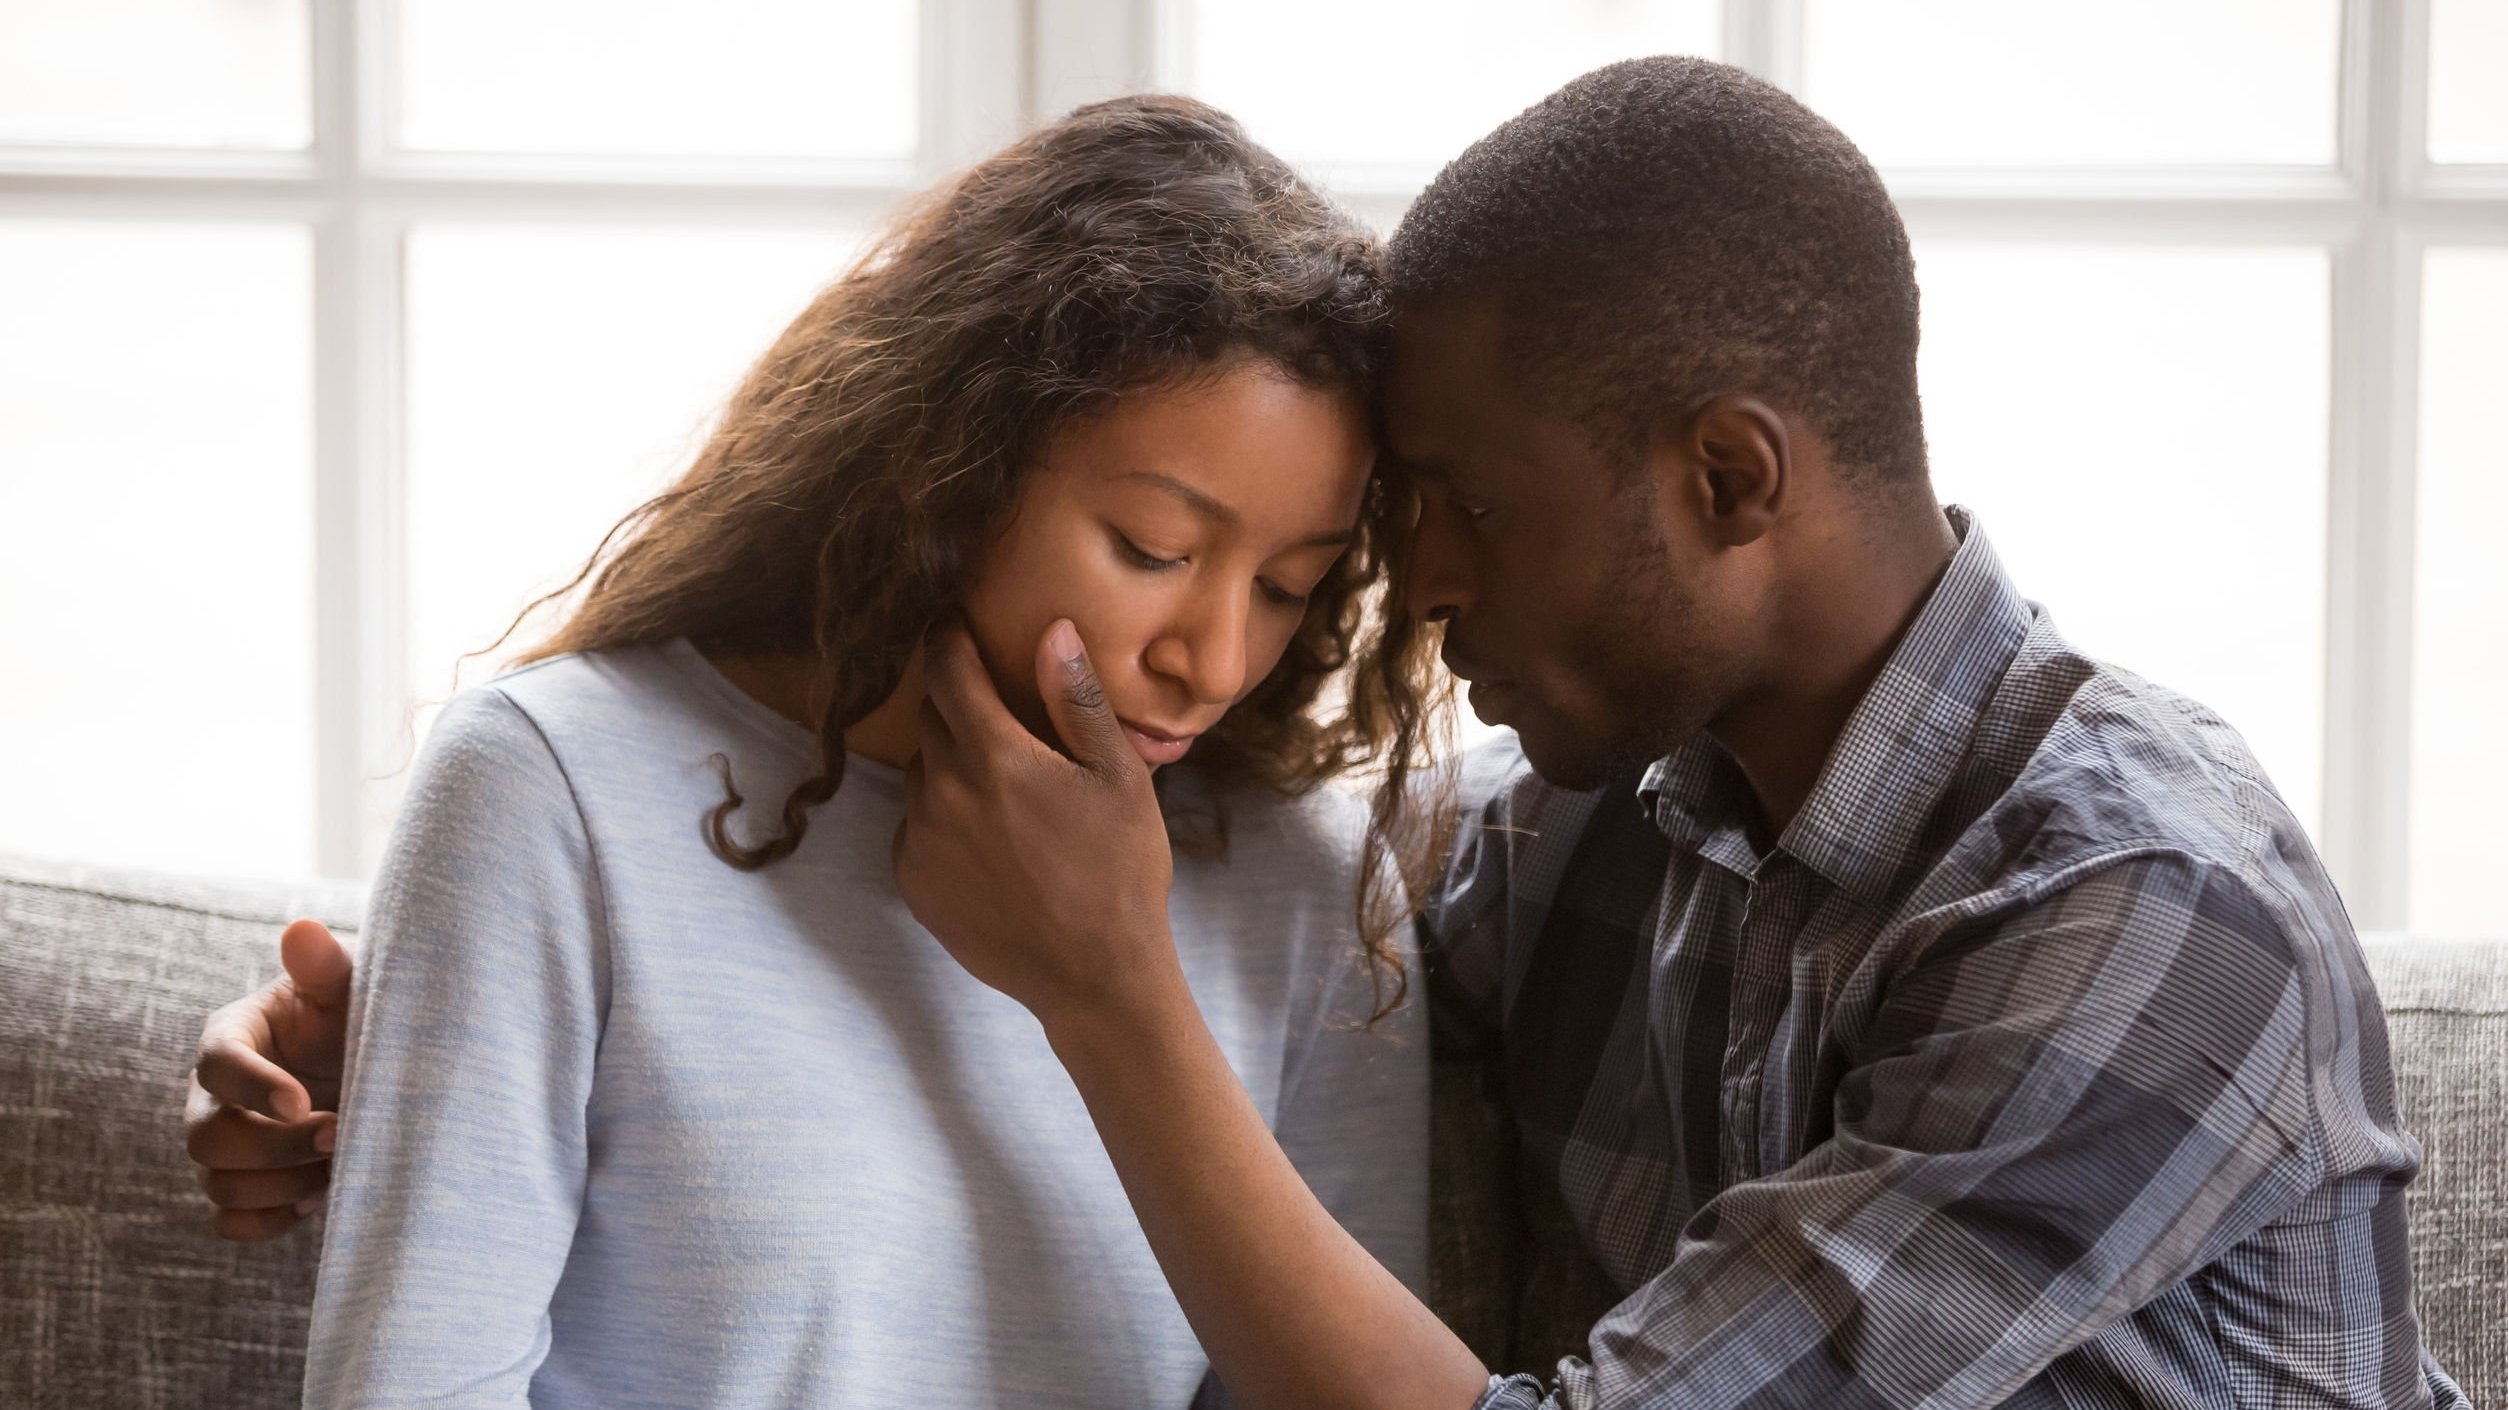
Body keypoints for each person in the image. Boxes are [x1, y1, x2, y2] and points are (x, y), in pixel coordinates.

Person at [192, 59, 2467, 1410]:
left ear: (1732, 481)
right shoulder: (1606, 829)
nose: (1405, 603)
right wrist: (415, 1059)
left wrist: (1106, 988)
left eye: (1433, 523)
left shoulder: (2139, 917)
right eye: (1218, 547)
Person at [187, 93, 1452, 1408]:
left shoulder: (1308, 888)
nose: (1217, 657)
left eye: (1291, 583)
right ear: (954, 465)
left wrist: (1119, 981)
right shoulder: (549, 791)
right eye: (1153, 550)